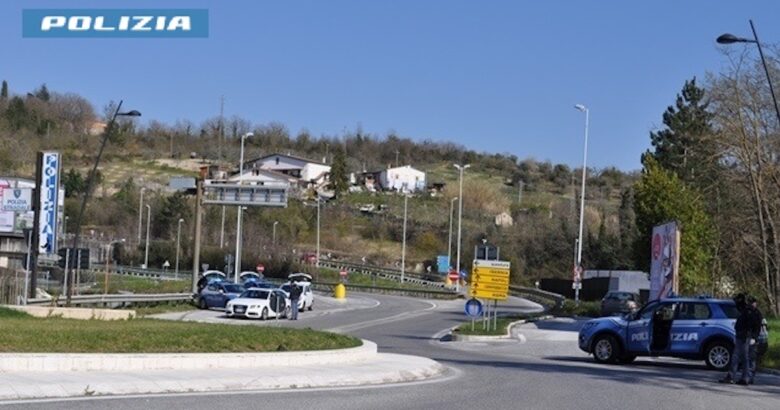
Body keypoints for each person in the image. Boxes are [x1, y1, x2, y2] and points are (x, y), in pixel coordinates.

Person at [720, 293, 751, 385]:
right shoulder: (745, 310)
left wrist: (747, 335)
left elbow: (748, 325)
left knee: (738, 357)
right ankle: (743, 377)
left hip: (743, 337)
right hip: (742, 336)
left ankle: (735, 377)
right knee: (742, 357)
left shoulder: (746, 311)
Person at [746, 296, 764, 385]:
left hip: (753, 337)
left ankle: (750, 377)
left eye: (753, 302)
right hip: (746, 336)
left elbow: (757, 327)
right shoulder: (747, 312)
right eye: (750, 302)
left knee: (751, 358)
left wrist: (754, 337)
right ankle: (747, 376)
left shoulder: (757, 313)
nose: (752, 304)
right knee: (747, 357)